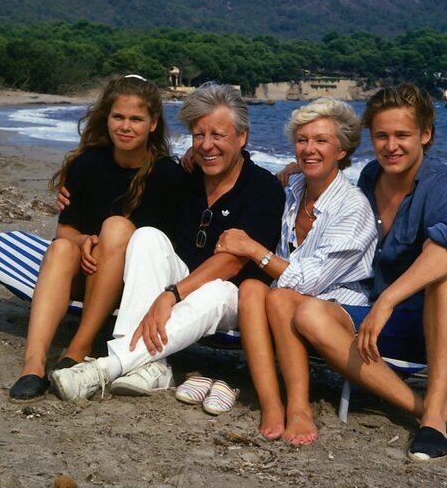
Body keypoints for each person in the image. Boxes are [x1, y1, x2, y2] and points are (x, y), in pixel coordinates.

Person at [50, 83, 286, 401]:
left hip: (231, 294)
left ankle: (107, 367)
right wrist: (71, 195)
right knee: (146, 236)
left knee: (214, 292)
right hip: (181, 279)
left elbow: (231, 262)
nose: (207, 145)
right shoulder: (185, 176)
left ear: (242, 137)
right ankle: (151, 366)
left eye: (218, 135)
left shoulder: (263, 188)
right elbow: (123, 195)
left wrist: (171, 295)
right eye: (199, 136)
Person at [291, 83, 447, 461]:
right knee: (309, 313)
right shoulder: (369, 177)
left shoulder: (442, 183)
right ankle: (428, 410)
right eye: (381, 135)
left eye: (402, 135)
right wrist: (303, 170)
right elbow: (335, 186)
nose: (391, 145)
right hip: (390, 325)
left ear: (425, 135)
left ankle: (433, 420)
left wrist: (387, 301)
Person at [8, 74, 184, 401]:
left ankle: (80, 345)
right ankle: (32, 363)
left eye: (136, 119)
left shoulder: (168, 176)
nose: (126, 126)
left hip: (135, 292)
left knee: (116, 227)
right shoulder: (89, 164)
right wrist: (84, 242)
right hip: (89, 277)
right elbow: (66, 230)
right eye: (118, 117)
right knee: (62, 247)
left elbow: (166, 250)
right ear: (107, 119)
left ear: (153, 124)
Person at [214, 98, 376, 445]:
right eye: (302, 141)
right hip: (286, 299)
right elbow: (248, 182)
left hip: (340, 306)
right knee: (253, 290)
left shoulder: (353, 208)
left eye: (321, 140)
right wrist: (190, 160)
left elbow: (310, 282)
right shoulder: (294, 188)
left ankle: (299, 408)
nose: (309, 149)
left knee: (281, 296)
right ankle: (272, 404)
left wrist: (251, 248)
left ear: (343, 149)